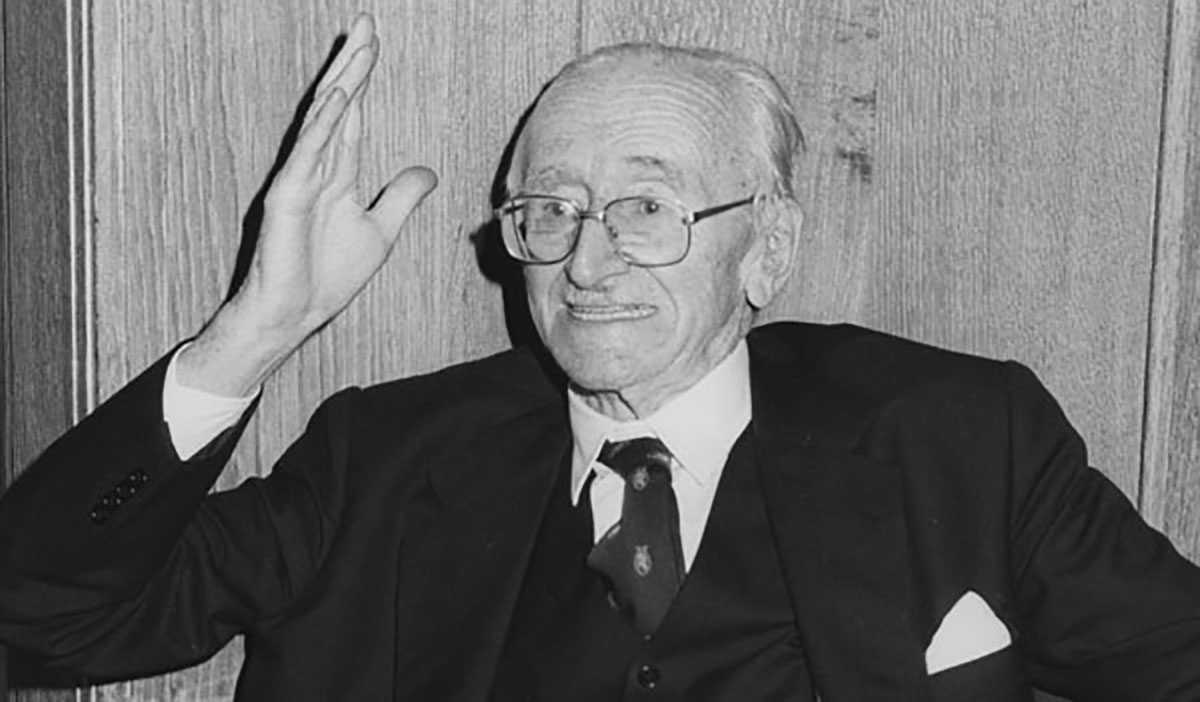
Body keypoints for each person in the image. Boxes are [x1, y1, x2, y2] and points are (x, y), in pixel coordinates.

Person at [1, 13, 1199, 702]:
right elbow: (44, 623)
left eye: (646, 208)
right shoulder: (385, 459)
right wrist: (251, 334)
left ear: (767, 249)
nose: (587, 261)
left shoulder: (960, 435)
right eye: (551, 211)